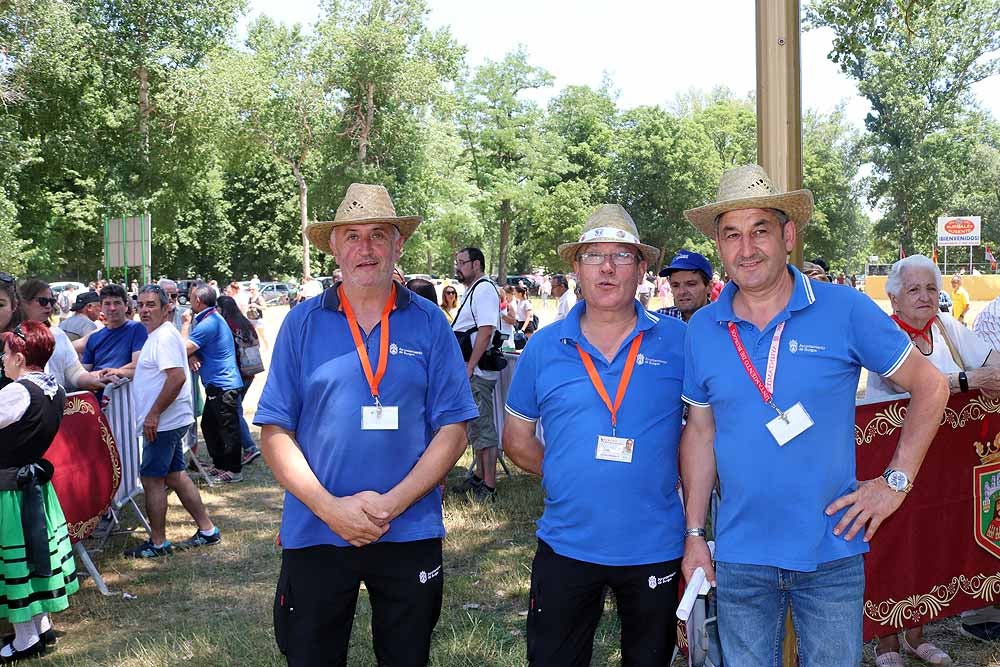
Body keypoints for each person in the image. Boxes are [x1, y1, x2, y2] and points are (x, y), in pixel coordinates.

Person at [679, 165, 949, 666]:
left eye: (760, 230)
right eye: (732, 235)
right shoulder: (702, 330)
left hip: (831, 549)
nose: (747, 248)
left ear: (788, 235)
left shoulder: (843, 309)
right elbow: (700, 430)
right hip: (741, 554)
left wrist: (894, 483)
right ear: (719, 246)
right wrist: (695, 534)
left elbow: (931, 386)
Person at [255, 183, 477, 666]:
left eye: (379, 234)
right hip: (316, 528)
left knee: (406, 657)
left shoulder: (429, 322)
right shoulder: (301, 322)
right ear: (333, 246)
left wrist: (392, 505)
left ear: (398, 244)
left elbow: (454, 429)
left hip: (409, 528)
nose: (366, 247)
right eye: (352, 235)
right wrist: (329, 508)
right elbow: (274, 431)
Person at [504, 204, 686, 665]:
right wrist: (567, 471)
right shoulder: (545, 345)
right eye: (593, 256)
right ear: (576, 267)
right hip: (567, 542)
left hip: (654, 544)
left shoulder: (679, 342)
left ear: (643, 269)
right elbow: (517, 438)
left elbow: (704, 429)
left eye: (622, 256)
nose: (607, 267)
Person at [866, 255, 1000, 662]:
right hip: (894, 456)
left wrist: (987, 374)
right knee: (894, 539)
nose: (925, 297)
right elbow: (908, 382)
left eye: (930, 288)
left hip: (942, 460)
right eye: (914, 289)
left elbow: (992, 361)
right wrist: (970, 380)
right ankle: (886, 640)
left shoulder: (944, 326)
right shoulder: (884, 334)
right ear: (894, 297)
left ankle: (916, 634)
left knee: (928, 537)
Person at [123, 286, 221, 558]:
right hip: (168, 421)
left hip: (164, 423)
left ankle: (157, 543)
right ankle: (208, 530)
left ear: (167, 308)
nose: (144, 310)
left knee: (152, 479)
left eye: (151, 304)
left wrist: (153, 414)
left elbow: (176, 378)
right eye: (141, 304)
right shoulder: (158, 336)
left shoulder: (164, 337)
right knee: (176, 475)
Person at [0, 321, 78, 661]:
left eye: (4, 353)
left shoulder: (17, 392)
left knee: (21, 563)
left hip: (11, 492)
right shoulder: (54, 388)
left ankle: (25, 640)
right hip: (33, 489)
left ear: (18, 357)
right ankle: (41, 628)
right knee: (35, 558)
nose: (2, 359)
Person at [451, 246, 503, 500]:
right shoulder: (475, 290)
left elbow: (485, 331)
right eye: (457, 262)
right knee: (475, 425)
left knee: (483, 425)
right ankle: (481, 476)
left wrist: (470, 365)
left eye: (462, 262)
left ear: (476, 264)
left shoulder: (483, 290)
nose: (458, 267)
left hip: (478, 369)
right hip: (472, 368)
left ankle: (489, 485)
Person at [182, 284, 244, 483]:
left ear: (198, 301)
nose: (188, 301)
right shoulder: (211, 319)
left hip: (223, 385)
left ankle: (234, 471)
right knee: (209, 425)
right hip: (218, 384)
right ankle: (220, 465)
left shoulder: (208, 323)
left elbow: (182, 349)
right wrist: (193, 355)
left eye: (191, 298)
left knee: (228, 428)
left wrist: (184, 324)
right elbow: (193, 350)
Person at [18, 279, 105, 393]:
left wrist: (93, 381)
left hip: (55, 405)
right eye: (43, 301)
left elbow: (74, 372)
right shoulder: (13, 336)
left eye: (52, 301)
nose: (49, 306)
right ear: (23, 302)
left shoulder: (57, 334)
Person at [217, 295, 263, 466]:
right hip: (249, 372)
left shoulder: (226, 325)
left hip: (235, 374)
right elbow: (257, 342)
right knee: (236, 409)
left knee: (235, 412)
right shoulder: (245, 322)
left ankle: (250, 447)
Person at [81, 284, 147, 380]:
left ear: (126, 306)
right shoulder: (94, 338)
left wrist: (110, 373)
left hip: (122, 388)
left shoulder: (138, 329)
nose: (112, 308)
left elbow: (138, 366)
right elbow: (84, 372)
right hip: (98, 388)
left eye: (117, 303)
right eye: (107, 304)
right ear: (101, 307)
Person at [657, 249, 713, 322]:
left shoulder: (725, 323)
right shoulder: (660, 319)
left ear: (709, 287)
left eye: (691, 284)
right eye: (675, 285)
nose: (682, 292)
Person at [245, 285, 269, 350]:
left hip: (258, 319)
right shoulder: (250, 298)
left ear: (256, 290)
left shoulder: (259, 298)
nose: (251, 291)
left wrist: (256, 306)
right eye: (250, 289)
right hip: (250, 318)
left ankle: (267, 346)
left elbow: (265, 307)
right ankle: (259, 346)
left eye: (253, 289)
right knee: (254, 335)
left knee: (262, 335)